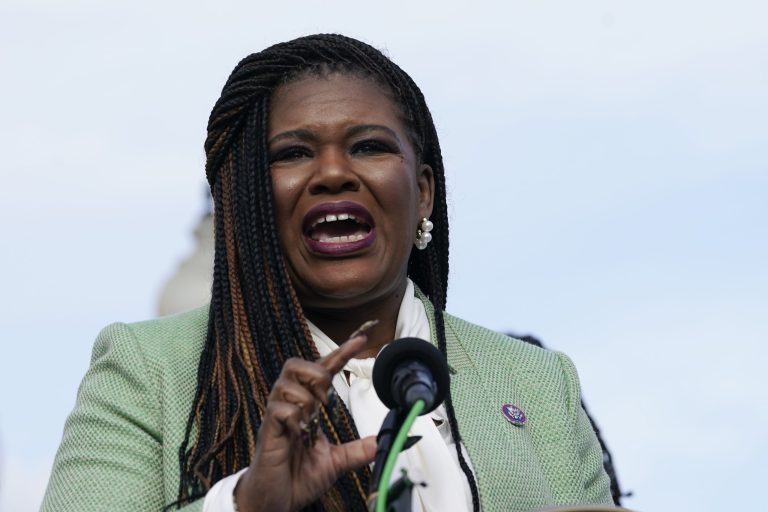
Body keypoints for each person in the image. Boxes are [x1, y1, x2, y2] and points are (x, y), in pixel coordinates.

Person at [41, 34, 614, 512]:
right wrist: (245, 505)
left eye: (368, 146)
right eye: (292, 153)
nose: (334, 173)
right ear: (245, 205)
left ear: (421, 195)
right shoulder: (149, 370)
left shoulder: (538, 383)